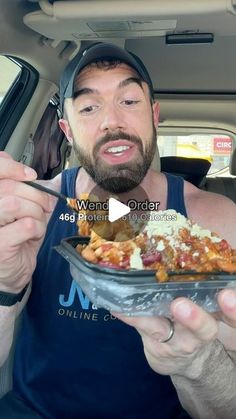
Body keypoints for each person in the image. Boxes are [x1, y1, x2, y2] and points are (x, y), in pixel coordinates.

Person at [0, 42, 236, 419]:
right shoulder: (32, 215)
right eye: (89, 107)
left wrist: (197, 364)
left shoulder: (217, 224)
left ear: (154, 115)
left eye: (128, 101)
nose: (112, 121)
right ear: (68, 130)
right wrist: (5, 290)